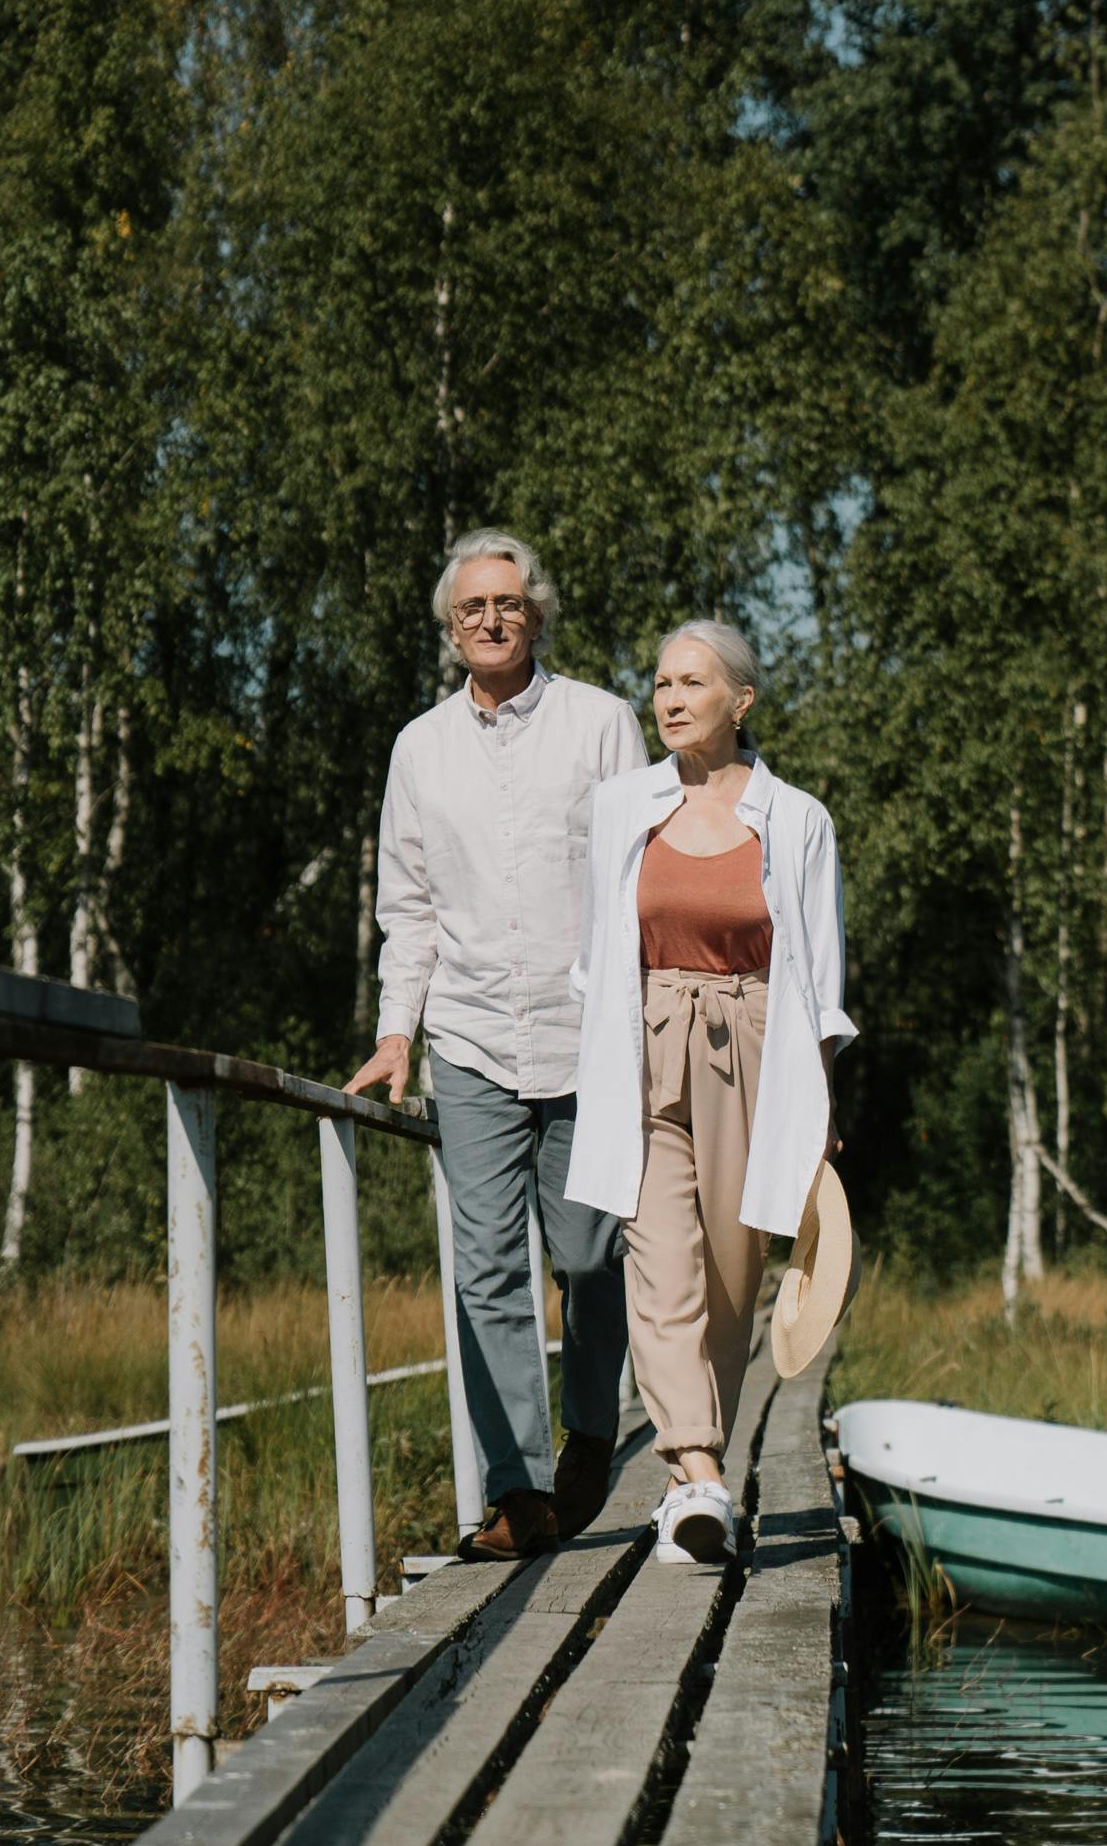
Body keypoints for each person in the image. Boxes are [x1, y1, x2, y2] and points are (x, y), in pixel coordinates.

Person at [348, 529, 646, 1558]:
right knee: (483, 1268)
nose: (489, 618)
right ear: (448, 624)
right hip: (471, 1038)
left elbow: (634, 885)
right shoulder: (418, 747)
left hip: (583, 1038)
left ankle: (592, 1431)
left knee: (589, 1253)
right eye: (470, 606)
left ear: (536, 612)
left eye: (507, 604)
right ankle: (520, 1489)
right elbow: (411, 907)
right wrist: (398, 1033)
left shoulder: (602, 723)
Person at [566, 619, 852, 1567]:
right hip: (642, 1041)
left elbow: (819, 978)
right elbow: (593, 951)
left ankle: (701, 1466)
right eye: (661, 684)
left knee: (732, 1273)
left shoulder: (798, 818)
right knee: (660, 1259)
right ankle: (697, 1472)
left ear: (742, 701)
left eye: (693, 683)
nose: (672, 699)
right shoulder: (621, 808)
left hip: (757, 1044)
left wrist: (820, 1106)